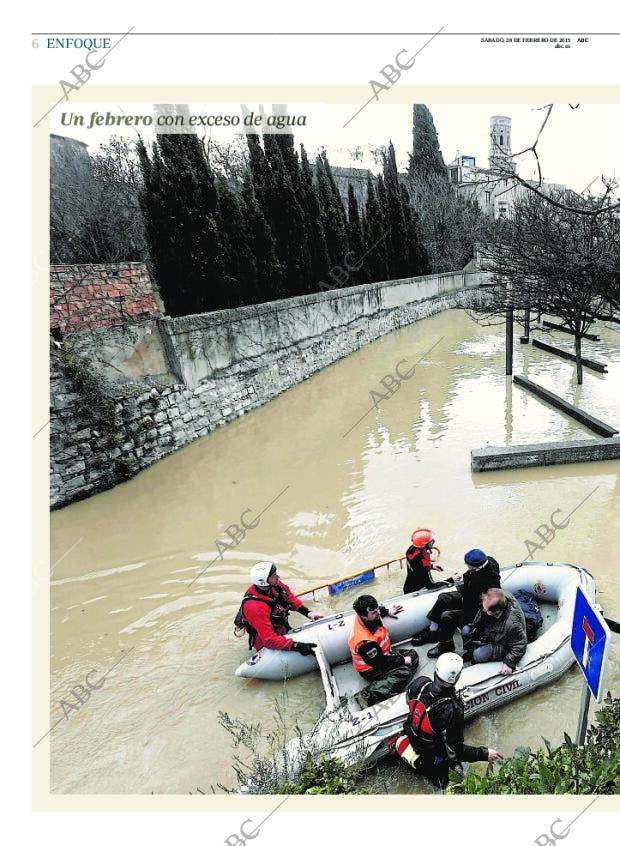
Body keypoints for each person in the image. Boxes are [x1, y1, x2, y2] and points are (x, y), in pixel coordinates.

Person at [391, 652, 503, 788]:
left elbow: (411, 703)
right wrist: (484, 754)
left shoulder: (419, 684)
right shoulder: (451, 711)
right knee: (450, 783)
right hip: (430, 755)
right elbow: (457, 751)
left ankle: (402, 747)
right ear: (453, 678)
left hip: (411, 734)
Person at [411, 548, 501, 658]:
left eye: (469, 566)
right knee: (443, 598)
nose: (468, 568)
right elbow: (469, 586)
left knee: (446, 616)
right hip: (468, 596)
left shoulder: (491, 581)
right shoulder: (489, 561)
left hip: (475, 609)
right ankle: (432, 632)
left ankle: (446, 644)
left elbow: (491, 599)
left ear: (475, 567)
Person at [348, 594, 419, 708]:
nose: (378, 613)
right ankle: (366, 695)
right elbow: (379, 662)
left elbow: (377, 610)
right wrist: (402, 660)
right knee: (405, 672)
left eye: (377, 609)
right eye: (374, 613)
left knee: (413, 655)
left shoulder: (370, 616)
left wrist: (386, 611)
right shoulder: (364, 641)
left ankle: (391, 683)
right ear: (363, 616)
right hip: (370, 669)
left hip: (384, 654)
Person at [240, 561, 324, 655]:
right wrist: (296, 646)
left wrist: (307, 613)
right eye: (273, 575)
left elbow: (289, 598)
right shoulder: (255, 607)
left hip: (281, 628)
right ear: (263, 582)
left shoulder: (275, 585)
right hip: (265, 642)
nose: (278, 577)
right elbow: (269, 640)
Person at [463, 588, 527, 674]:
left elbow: (520, 645)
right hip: (493, 631)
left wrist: (509, 663)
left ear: (497, 611)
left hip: (505, 643)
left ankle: (477, 661)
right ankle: (470, 651)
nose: (483, 609)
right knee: (466, 631)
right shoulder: (496, 597)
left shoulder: (513, 624)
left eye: (486, 609)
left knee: (478, 654)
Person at [403, 528, 452, 594]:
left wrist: (431, 566)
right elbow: (431, 585)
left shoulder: (411, 550)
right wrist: (451, 580)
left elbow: (417, 566)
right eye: (431, 541)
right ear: (425, 545)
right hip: (417, 591)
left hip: (409, 586)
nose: (433, 541)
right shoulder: (423, 563)